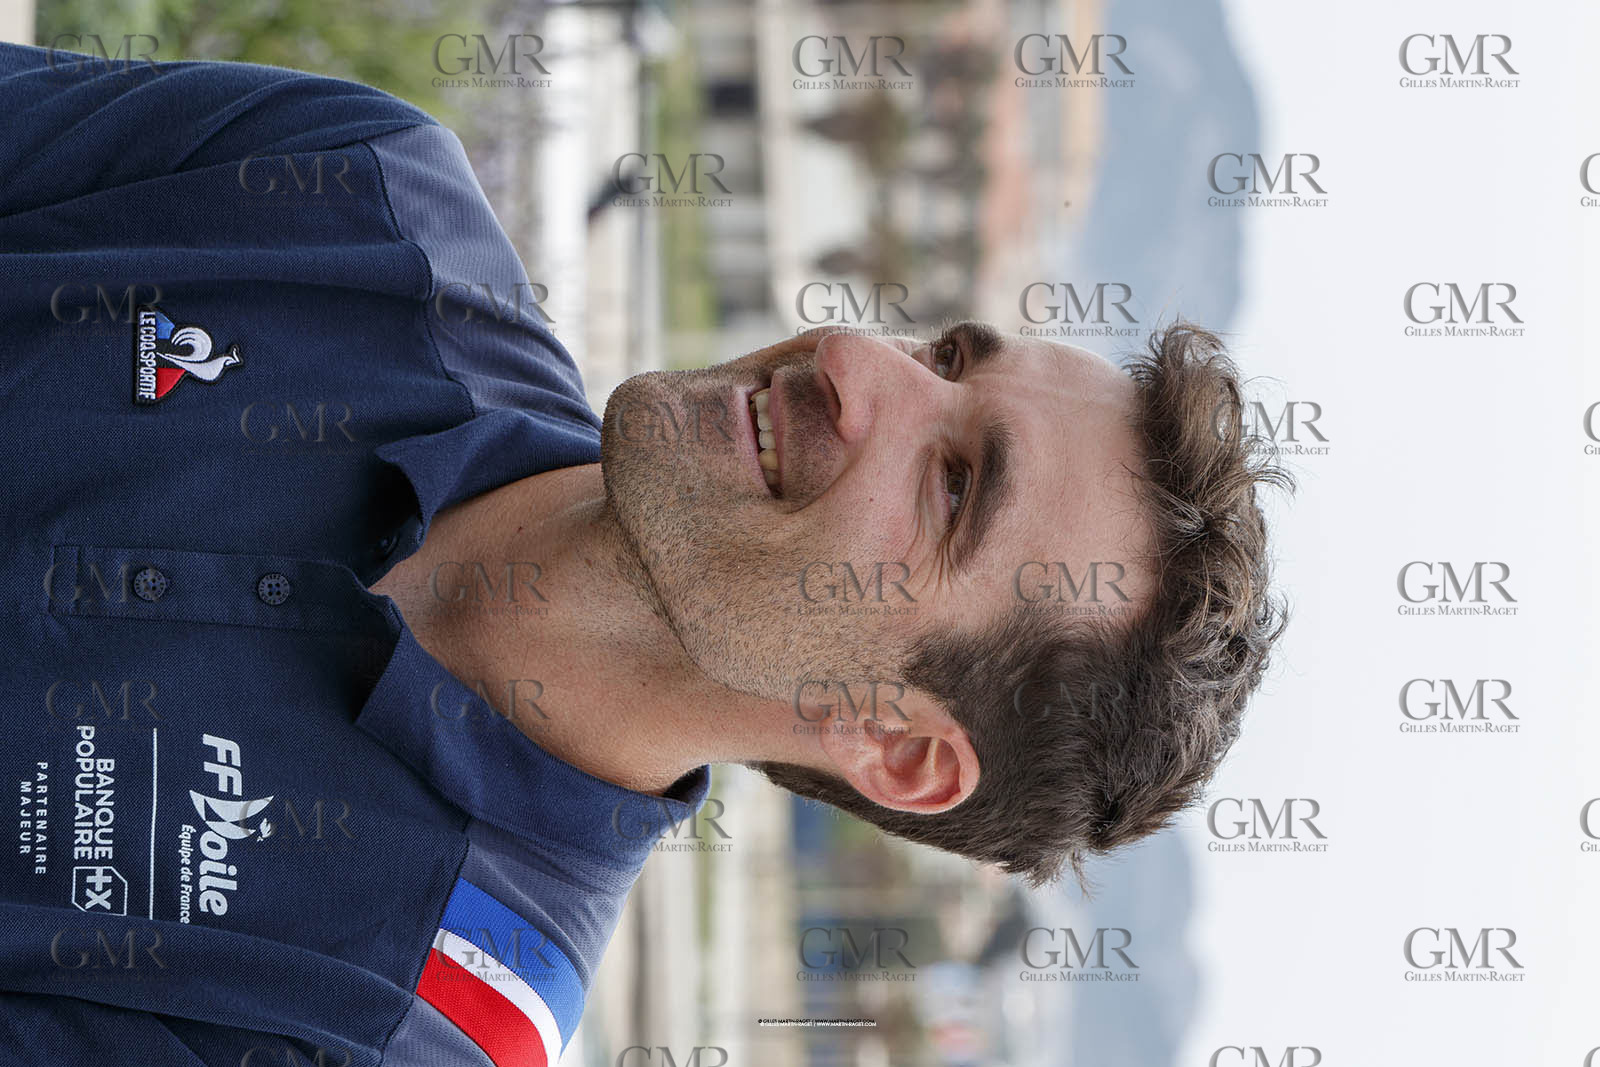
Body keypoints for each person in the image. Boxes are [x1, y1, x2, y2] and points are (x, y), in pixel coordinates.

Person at [0, 40, 1287, 1067]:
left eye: (951, 487)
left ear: (893, 747)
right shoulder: (364, 199)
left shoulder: (405, 1021)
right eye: (946, 354)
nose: (851, 360)